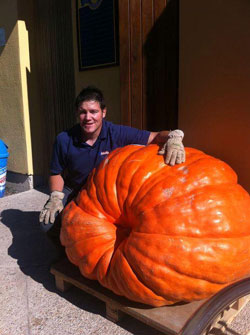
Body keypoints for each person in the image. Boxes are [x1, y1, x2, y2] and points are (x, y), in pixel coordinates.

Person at [39, 86, 185, 254]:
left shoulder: (116, 132)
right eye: (83, 112)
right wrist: (56, 196)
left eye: (93, 111)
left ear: (103, 112)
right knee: (47, 225)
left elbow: (155, 136)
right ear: (77, 114)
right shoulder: (64, 139)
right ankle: (69, 254)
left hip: (106, 192)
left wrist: (174, 136)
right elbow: (55, 172)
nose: (88, 117)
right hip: (75, 187)